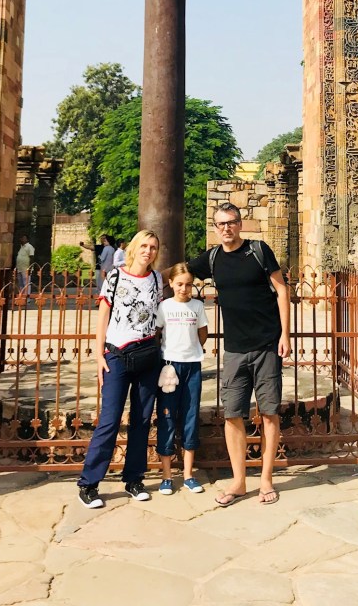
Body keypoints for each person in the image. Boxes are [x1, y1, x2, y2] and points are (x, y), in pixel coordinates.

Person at [185, 203, 290, 507]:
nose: (226, 228)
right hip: (234, 348)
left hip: (266, 343)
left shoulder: (258, 250)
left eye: (231, 223)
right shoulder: (213, 258)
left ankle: (266, 479)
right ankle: (239, 481)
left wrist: (284, 335)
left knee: (269, 412)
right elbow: (181, 273)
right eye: (220, 224)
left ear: (240, 224)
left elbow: (281, 290)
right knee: (232, 414)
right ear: (214, 228)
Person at [77, 230, 162, 509]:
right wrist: (100, 354)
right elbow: (103, 315)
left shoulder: (156, 279)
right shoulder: (116, 276)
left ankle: (134, 478)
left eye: (153, 247)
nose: (148, 251)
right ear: (135, 248)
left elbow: (155, 318)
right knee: (110, 420)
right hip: (116, 354)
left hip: (147, 355)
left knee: (141, 419)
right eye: (144, 246)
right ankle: (89, 483)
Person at [155, 262, 208, 495]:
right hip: (169, 366)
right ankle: (167, 475)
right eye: (179, 284)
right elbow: (157, 333)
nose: (184, 289)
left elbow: (202, 333)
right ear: (171, 284)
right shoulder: (164, 307)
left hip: (192, 365)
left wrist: (191, 350)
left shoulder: (197, 306)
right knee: (166, 415)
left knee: (190, 416)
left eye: (188, 285)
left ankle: (188, 474)